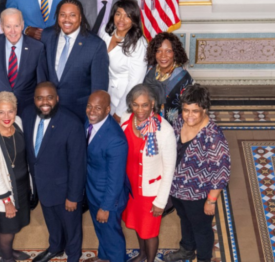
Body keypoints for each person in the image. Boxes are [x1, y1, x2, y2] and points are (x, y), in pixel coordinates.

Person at [164, 84, 231, 262]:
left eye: (195, 111)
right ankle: (186, 249)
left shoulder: (213, 137)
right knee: (184, 220)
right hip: (177, 188)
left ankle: (203, 258)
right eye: (186, 110)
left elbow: (221, 173)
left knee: (202, 229)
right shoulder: (180, 121)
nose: (189, 115)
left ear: (204, 109)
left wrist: (211, 200)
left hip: (198, 195)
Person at [21, 82, 87, 262]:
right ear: (34, 99)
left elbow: (77, 164)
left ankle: (73, 256)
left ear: (57, 99)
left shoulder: (71, 123)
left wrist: (73, 196)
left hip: (65, 189)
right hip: (41, 185)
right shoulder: (26, 115)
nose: (45, 102)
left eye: (49, 97)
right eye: (40, 98)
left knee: (72, 227)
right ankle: (56, 247)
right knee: (51, 221)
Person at [119, 84, 176, 262]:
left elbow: (169, 170)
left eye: (144, 105)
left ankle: (149, 260)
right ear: (130, 104)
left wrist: (160, 201)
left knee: (149, 231)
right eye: (136, 104)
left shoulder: (164, 131)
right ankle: (142, 254)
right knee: (137, 226)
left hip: (150, 193)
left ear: (152, 103)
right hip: (131, 189)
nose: (140, 109)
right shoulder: (126, 120)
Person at [40, 0, 109, 122]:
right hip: (49, 109)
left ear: (81, 17)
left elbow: (99, 86)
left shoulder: (96, 45)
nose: (67, 19)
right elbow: (41, 70)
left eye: (72, 15)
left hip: (79, 112)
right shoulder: (47, 35)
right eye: (62, 15)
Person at [0, 92, 31, 262]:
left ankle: (8, 251)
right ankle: (7, 257)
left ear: (16, 110)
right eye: (1, 112)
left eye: (10, 111)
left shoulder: (18, 123)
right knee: (7, 230)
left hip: (21, 185)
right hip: (5, 193)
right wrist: (7, 202)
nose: (6, 116)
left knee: (16, 225)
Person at [84, 91, 129, 262]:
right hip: (93, 190)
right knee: (101, 230)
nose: (91, 111)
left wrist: (106, 207)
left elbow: (115, 179)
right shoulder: (90, 122)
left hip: (108, 198)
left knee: (113, 238)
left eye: (98, 108)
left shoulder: (115, 139)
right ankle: (103, 258)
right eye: (89, 106)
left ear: (108, 109)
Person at [0, 8, 48, 115]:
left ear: (23, 25)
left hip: (27, 109)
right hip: (0, 109)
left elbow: (41, 83)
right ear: (1, 26)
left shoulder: (37, 48)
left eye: (16, 26)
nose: (13, 31)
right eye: (8, 26)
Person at [101, 0, 147, 121]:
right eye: (118, 14)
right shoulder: (106, 33)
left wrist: (120, 112)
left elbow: (135, 82)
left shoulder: (139, 44)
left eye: (128, 16)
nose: (121, 20)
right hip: (105, 92)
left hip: (125, 99)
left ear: (134, 19)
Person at [143, 32, 193, 125]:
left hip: (174, 126)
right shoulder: (149, 70)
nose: (163, 55)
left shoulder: (182, 77)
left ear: (175, 53)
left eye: (168, 51)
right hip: (148, 121)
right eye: (159, 50)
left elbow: (191, 108)